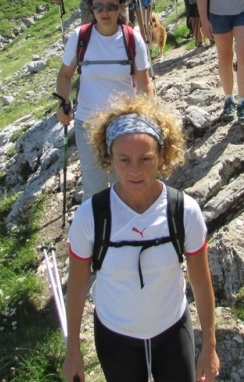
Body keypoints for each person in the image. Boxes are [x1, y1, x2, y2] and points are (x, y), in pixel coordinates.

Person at [62, 95, 220, 382]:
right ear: (109, 158)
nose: (135, 171)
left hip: (173, 331)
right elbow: (76, 285)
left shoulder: (184, 211)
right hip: (115, 337)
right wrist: (73, 350)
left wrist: (209, 346)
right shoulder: (91, 216)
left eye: (145, 159)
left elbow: (200, 281)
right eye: (124, 160)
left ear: (162, 156)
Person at [55, 0, 154, 199]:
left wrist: (147, 116)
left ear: (120, 7)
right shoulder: (80, 37)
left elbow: (144, 82)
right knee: (94, 190)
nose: (104, 12)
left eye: (111, 6)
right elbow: (64, 75)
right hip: (87, 123)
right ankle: (99, 223)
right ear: (91, 9)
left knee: (125, 186)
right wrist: (63, 103)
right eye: (98, 7)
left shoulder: (132, 38)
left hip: (124, 125)